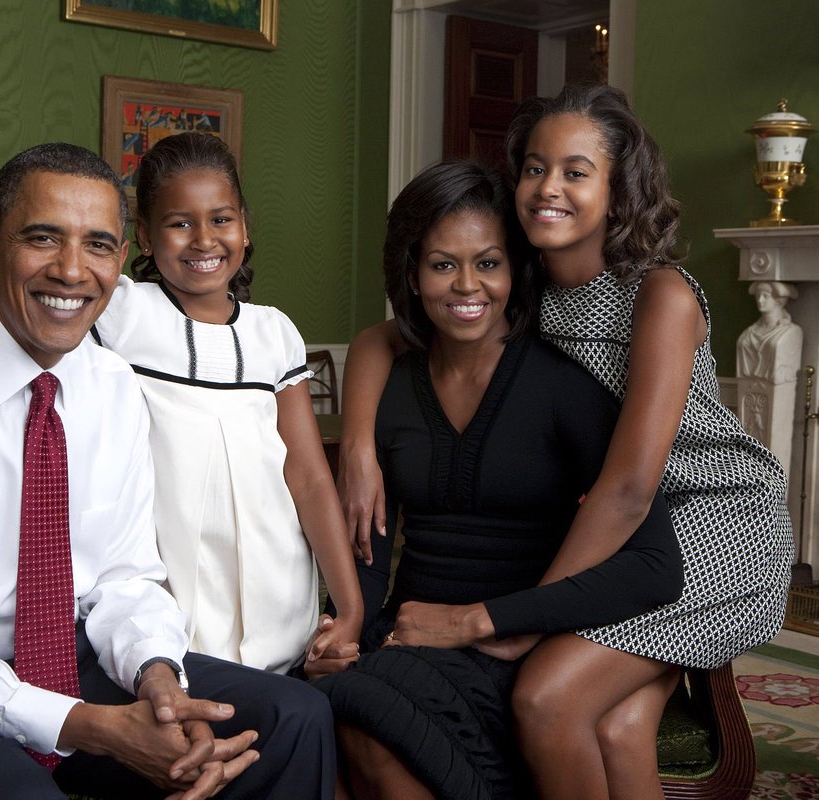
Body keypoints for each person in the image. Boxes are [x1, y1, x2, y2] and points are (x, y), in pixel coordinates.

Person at [0, 142, 336, 800]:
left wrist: (157, 678)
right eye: (42, 238)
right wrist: (97, 728)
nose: (70, 270)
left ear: (121, 258)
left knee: (294, 719)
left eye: (97, 245)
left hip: (70, 659)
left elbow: (125, 578)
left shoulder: (112, 385)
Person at [339, 84, 794, 800]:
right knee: (618, 729)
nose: (548, 187)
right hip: (630, 530)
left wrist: (520, 619)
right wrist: (361, 444)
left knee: (546, 694)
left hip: (714, 520)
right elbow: (383, 339)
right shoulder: (525, 284)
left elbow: (628, 489)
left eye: (576, 172)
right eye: (534, 168)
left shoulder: (660, 296)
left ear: (619, 191)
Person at [0, 132, 363, 679]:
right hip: (172, 589)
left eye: (221, 219)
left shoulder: (275, 333)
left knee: (288, 714)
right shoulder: (122, 310)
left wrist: (349, 608)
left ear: (245, 226)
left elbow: (307, 476)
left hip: (276, 575)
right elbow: (2, 315)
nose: (203, 240)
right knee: (198, 699)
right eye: (179, 223)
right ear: (142, 236)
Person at [313, 159, 683, 800]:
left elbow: (653, 566)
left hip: (519, 642)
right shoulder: (394, 385)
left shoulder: (564, 382)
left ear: (515, 270)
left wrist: (492, 622)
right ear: (411, 273)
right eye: (441, 264)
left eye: (488, 263)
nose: (466, 286)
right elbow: (369, 550)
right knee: (333, 703)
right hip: (413, 631)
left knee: (368, 717)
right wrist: (341, 628)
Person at [736, 280, 802, 384]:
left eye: (765, 296)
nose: (760, 300)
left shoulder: (792, 332)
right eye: (758, 296)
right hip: (748, 388)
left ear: (779, 300)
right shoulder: (749, 332)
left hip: (778, 389)